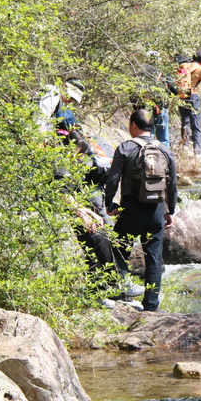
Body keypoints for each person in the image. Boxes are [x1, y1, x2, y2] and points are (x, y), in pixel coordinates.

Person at [56, 131, 144, 309]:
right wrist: (83, 215)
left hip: (73, 214)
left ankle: (113, 287)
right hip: (62, 218)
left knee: (104, 238)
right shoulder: (60, 165)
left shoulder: (68, 165)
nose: (81, 158)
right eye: (79, 154)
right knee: (96, 241)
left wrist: (89, 213)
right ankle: (103, 290)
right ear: (74, 148)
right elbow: (61, 194)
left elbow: (71, 198)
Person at [105, 109, 178, 312]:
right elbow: (172, 184)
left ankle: (119, 291)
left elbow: (113, 178)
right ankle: (151, 305)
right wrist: (170, 210)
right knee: (154, 257)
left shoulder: (125, 148)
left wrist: (109, 202)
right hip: (156, 210)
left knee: (119, 248)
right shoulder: (164, 150)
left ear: (133, 125)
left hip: (130, 208)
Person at [164, 51, 201, 156]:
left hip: (181, 96)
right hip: (193, 97)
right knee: (196, 124)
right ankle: (197, 152)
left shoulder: (183, 65)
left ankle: (184, 146)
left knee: (184, 121)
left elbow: (176, 80)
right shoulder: (200, 69)